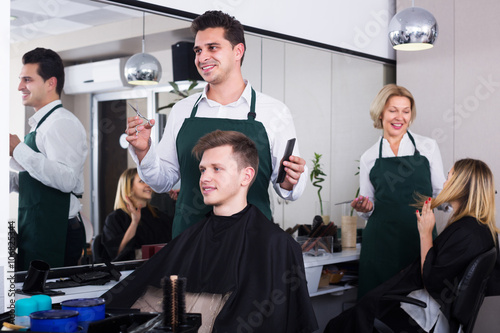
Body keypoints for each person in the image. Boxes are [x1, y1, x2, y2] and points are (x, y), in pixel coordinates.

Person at [102, 130, 318, 333]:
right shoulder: (191, 238)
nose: (204, 178)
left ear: (246, 176)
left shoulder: (276, 244)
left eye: (217, 168)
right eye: (203, 169)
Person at [125, 10, 307, 238]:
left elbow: (286, 189)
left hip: (251, 240)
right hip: (189, 240)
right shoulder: (182, 111)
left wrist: (291, 180)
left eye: (213, 48)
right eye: (198, 50)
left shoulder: (274, 112)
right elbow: (163, 182)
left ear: (238, 51)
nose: (202, 58)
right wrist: (144, 152)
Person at [325, 158, 499, 333]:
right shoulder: (484, 230)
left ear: (461, 185)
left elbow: (432, 281)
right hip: (431, 313)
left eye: (449, 177)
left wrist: (425, 233)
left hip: (423, 318)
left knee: (339, 325)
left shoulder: (465, 232)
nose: (445, 183)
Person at [351, 84, 446, 298]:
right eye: (393, 110)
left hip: (420, 240)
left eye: (406, 111)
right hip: (380, 244)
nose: (399, 117)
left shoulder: (427, 147)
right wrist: (364, 207)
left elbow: (441, 193)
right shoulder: (369, 157)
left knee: (419, 306)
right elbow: (368, 206)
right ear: (381, 112)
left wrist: (463, 200)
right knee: (376, 309)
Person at [9, 47, 88, 270]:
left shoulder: (61, 122)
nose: (20, 87)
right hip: (38, 228)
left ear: (50, 83)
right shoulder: (42, 125)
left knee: (50, 301)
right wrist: (11, 181)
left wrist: (17, 149)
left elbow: (66, 180)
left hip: (56, 232)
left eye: (27, 80)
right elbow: (39, 179)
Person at [101, 168, 173, 261]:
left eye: (148, 181)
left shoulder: (160, 216)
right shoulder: (115, 219)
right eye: (142, 181)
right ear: (129, 187)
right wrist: (134, 223)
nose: (148, 185)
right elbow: (116, 254)